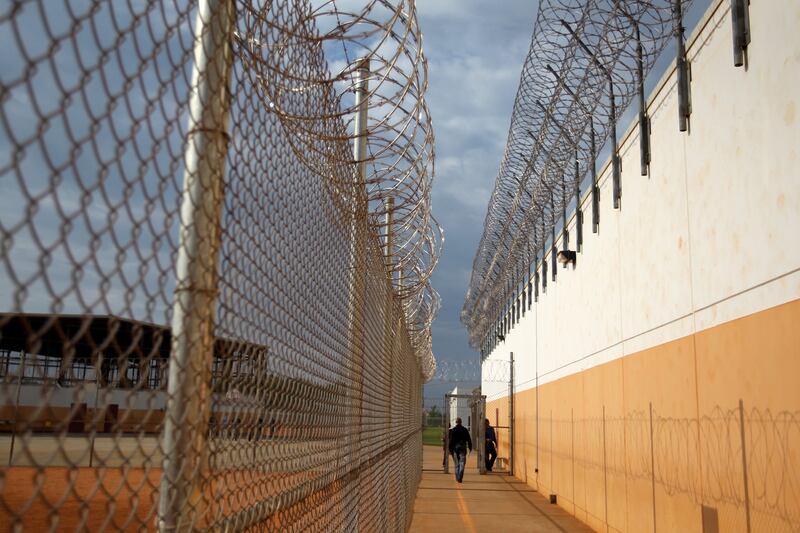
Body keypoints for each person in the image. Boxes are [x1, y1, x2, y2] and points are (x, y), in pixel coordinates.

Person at [448, 417, 472, 483]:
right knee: (462, 462)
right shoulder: (465, 430)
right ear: (461, 422)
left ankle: (457, 477)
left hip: (455, 448)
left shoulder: (453, 430)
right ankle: (460, 477)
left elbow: (451, 441)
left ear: (456, 422)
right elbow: (469, 440)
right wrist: (470, 448)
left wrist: (450, 449)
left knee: (456, 464)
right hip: (462, 447)